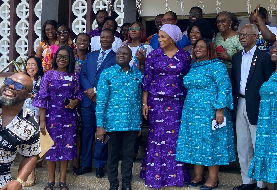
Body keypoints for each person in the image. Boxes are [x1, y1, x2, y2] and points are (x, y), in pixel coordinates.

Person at [176, 38, 235, 190]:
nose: (197, 49)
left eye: (202, 47)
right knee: (195, 142)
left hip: (210, 111)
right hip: (192, 111)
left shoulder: (217, 66)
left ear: (210, 49)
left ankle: (213, 178)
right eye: (196, 46)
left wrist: (220, 109)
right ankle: (197, 175)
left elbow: (224, 88)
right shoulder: (193, 67)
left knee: (212, 142)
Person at [140, 24, 191, 188]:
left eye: (163, 36)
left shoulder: (184, 56)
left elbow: (188, 80)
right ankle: (155, 176)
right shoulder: (153, 55)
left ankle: (175, 176)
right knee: (157, 137)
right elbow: (146, 80)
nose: (159, 39)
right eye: (159, 36)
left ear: (172, 38)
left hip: (177, 103)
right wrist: (144, 103)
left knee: (175, 138)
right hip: (157, 102)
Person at [231, 24, 275, 190]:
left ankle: (260, 184)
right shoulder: (236, 57)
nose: (242, 37)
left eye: (246, 35)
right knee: (243, 145)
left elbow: (268, 83)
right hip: (240, 103)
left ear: (255, 37)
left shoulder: (264, 57)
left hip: (257, 105)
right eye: (240, 35)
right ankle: (247, 181)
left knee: (258, 145)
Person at [248, 38, 277, 188]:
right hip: (268, 128)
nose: (274, 50)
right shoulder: (276, 71)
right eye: (274, 46)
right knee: (272, 167)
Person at [33, 46, 82, 190]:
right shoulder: (48, 75)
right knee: (50, 148)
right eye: (60, 56)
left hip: (68, 118)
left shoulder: (74, 75)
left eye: (65, 57)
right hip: (50, 118)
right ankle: (50, 181)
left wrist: (75, 102)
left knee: (66, 149)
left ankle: (62, 181)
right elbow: (42, 99)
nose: (62, 59)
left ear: (70, 60)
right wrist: (42, 121)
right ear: (55, 58)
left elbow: (79, 94)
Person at [96, 46, 143, 190]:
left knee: (128, 156)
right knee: (113, 156)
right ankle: (113, 184)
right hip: (112, 124)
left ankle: (126, 184)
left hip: (132, 123)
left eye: (125, 54)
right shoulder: (107, 74)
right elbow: (101, 101)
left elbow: (140, 100)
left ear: (131, 58)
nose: (121, 55)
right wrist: (100, 125)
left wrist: (140, 123)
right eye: (119, 53)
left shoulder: (138, 75)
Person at [75, 29, 116, 177]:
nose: (105, 39)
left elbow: (113, 78)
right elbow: (83, 74)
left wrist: (97, 92)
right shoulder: (90, 56)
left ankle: (99, 164)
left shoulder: (116, 57)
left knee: (101, 133)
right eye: (102, 37)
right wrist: (89, 90)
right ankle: (86, 164)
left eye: (108, 37)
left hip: (103, 101)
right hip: (87, 101)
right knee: (87, 133)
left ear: (112, 40)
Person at [0, 73, 40, 190]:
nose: (11, 86)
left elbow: (31, 155)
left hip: (0, 184)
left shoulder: (30, 125)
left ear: (27, 96)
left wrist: (19, 180)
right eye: (9, 81)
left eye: (18, 86)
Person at [22, 56, 44, 187]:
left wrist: (34, 96)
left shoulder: (42, 80)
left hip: (37, 115)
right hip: (23, 115)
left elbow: (45, 96)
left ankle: (31, 175)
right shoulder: (22, 79)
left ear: (38, 66)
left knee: (33, 145)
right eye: (28, 64)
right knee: (27, 145)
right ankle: (30, 173)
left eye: (33, 64)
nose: (30, 67)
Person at [73, 33, 91, 172]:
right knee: (74, 132)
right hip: (72, 97)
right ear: (75, 42)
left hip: (87, 98)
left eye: (85, 40)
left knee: (83, 131)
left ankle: (80, 160)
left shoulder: (91, 58)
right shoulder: (70, 57)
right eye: (80, 40)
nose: (82, 42)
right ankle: (74, 160)